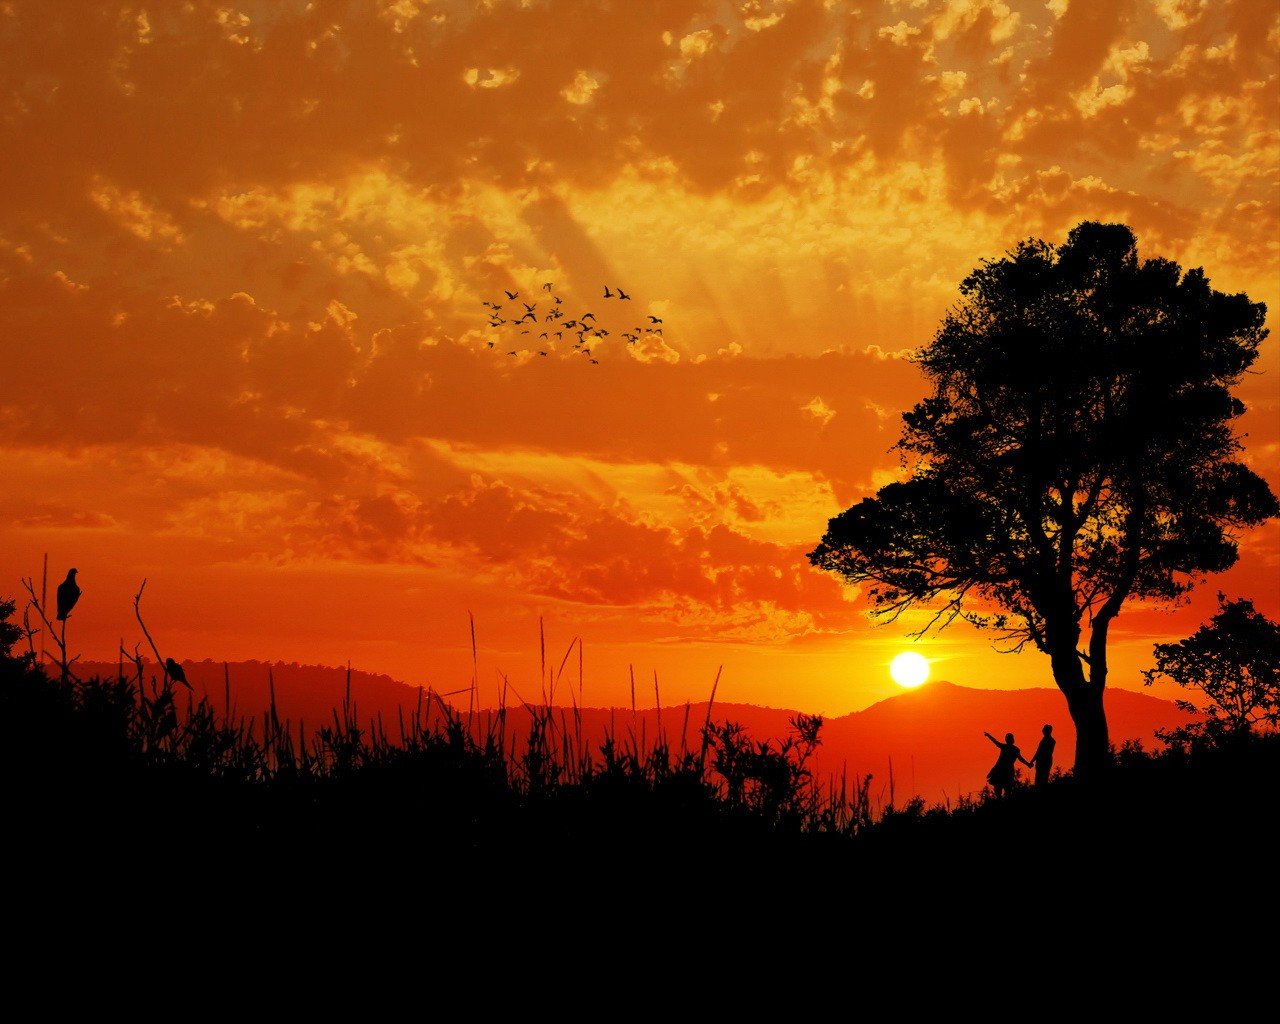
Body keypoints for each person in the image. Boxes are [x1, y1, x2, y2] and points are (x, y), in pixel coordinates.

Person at [983, 731, 1030, 797]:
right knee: (1005, 790)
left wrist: (988, 735)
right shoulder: (1014, 749)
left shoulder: (1007, 748)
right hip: (1004, 771)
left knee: (1002, 790)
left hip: (1001, 771)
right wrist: (1028, 764)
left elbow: (995, 742)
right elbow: (1020, 759)